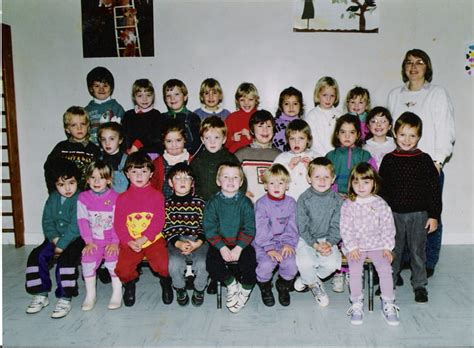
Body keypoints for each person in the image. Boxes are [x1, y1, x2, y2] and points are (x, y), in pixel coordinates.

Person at [387, 48, 455, 277]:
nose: (414, 67)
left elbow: (446, 130)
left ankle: (428, 263)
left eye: (419, 62)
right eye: (409, 62)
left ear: (427, 68)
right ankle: (405, 260)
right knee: (400, 216)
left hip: (427, 166)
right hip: (400, 165)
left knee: (429, 215)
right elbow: (390, 133)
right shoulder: (395, 95)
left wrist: (438, 161)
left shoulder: (437, 94)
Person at [379, 112, 442, 303]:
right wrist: (382, 215)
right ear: (394, 134)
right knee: (393, 250)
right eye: (402, 134)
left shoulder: (424, 160)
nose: (407, 140)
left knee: (417, 251)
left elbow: (434, 190)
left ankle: (420, 285)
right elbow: (382, 189)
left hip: (419, 215)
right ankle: (389, 281)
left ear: (419, 137)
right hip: (394, 215)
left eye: (412, 135)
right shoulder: (389, 159)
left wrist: (433, 215)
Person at [340, 163, 399, 326]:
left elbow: (388, 226)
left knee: (386, 269)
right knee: (355, 270)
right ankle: (357, 303)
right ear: (351, 184)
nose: (361, 186)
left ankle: (388, 302)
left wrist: (388, 247)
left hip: (377, 244)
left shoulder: (380, 204)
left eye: (365, 182)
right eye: (356, 182)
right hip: (356, 247)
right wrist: (351, 247)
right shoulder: (348, 205)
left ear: (374, 183)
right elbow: (345, 228)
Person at [25, 158, 85, 319]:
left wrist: (62, 244)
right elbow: (47, 221)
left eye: (71, 183)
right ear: (55, 185)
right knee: (36, 256)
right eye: (61, 184)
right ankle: (40, 293)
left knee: (66, 260)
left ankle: (65, 297)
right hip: (55, 238)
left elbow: (76, 225)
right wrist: (54, 238)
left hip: (76, 239)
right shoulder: (52, 198)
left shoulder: (81, 198)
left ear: (77, 181)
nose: (67, 188)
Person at [113, 152, 173, 307]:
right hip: (131, 241)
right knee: (122, 269)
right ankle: (130, 285)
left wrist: (145, 238)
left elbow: (159, 221)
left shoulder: (157, 196)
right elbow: (119, 224)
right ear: (127, 174)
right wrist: (128, 241)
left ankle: (166, 283)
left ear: (151, 173)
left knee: (163, 265)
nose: (139, 176)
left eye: (144, 171)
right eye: (134, 172)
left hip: (152, 239)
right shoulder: (122, 198)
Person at [203, 163, 256, 313]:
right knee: (211, 264)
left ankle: (244, 291)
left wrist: (239, 247)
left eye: (235, 177)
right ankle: (231, 284)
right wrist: (222, 247)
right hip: (220, 243)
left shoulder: (245, 203)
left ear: (241, 182)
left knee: (251, 264)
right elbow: (210, 228)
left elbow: (250, 228)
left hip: (241, 243)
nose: (231, 181)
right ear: (218, 181)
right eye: (226, 177)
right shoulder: (213, 203)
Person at [295, 157, 342, 307]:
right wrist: (315, 245)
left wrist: (329, 243)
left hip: (328, 239)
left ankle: (308, 279)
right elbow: (302, 227)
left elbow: (337, 225)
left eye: (326, 177)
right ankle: (315, 285)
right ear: (309, 178)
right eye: (317, 177)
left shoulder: (337, 200)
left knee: (333, 264)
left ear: (333, 178)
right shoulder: (304, 199)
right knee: (305, 262)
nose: (322, 180)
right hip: (306, 238)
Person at [77, 161, 121, 311]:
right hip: (94, 240)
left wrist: (115, 242)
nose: (96, 182)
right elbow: (82, 221)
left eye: (101, 178)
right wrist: (88, 241)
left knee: (112, 260)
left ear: (108, 180)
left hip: (111, 240)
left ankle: (117, 293)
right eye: (93, 177)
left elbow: (118, 222)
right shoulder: (83, 198)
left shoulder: (116, 197)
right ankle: (91, 295)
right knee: (87, 259)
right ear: (87, 179)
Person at [162, 163, 208, 307]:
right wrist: (178, 243)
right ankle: (180, 288)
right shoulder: (167, 204)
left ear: (192, 183)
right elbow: (166, 227)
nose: (182, 181)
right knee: (174, 264)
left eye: (187, 178)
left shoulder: (200, 202)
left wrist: (198, 242)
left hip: (198, 240)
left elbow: (207, 225)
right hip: (177, 240)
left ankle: (199, 289)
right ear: (170, 182)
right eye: (178, 178)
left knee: (203, 264)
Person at [254, 164, 299, 307]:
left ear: (287, 186)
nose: (276, 186)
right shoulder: (261, 204)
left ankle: (283, 285)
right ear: (266, 186)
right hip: (264, 242)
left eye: (281, 182)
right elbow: (260, 228)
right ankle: (265, 287)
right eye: (272, 183)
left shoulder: (291, 203)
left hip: (285, 241)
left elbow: (293, 225)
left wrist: (288, 243)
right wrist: (269, 248)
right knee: (266, 264)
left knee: (291, 264)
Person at [44, 106, 101, 193]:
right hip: (65, 194)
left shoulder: (94, 149)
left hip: (87, 196)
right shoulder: (61, 148)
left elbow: (100, 173)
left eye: (83, 124)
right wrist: (54, 191)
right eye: (74, 125)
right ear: (67, 129)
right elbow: (49, 169)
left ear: (88, 126)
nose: (79, 128)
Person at [190, 116, 243, 201]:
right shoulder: (197, 161)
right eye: (207, 138)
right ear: (202, 140)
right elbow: (192, 186)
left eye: (217, 137)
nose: (212, 142)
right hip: (204, 205)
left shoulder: (231, 159)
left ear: (224, 139)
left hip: (227, 203)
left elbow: (242, 181)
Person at [235, 110, 280, 203]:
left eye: (268, 126)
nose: (265, 130)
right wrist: (241, 192)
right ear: (252, 130)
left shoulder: (280, 156)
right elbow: (231, 178)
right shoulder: (241, 154)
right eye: (260, 126)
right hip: (247, 206)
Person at [326, 114, 377, 195]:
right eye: (343, 132)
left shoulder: (365, 156)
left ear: (358, 135)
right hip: (335, 196)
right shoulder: (330, 156)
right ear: (337, 134)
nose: (347, 136)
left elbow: (373, 179)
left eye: (352, 132)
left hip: (359, 195)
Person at [274, 119, 319, 200]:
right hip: (287, 201)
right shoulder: (282, 158)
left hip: (310, 201)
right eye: (292, 139)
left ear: (308, 139)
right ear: (287, 140)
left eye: (301, 138)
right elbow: (273, 179)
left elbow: (323, 180)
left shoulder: (315, 157)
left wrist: (311, 169)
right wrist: (289, 166)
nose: (296, 142)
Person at [150, 120, 191, 199]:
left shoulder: (191, 160)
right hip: (163, 203)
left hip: (187, 204)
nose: (174, 145)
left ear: (184, 139)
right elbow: (152, 185)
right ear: (163, 142)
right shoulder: (158, 162)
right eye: (169, 141)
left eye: (178, 140)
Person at [84, 66, 125, 145]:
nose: (101, 89)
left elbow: (123, 133)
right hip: (92, 150)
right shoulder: (86, 110)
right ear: (91, 88)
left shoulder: (117, 108)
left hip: (111, 150)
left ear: (111, 88)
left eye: (105, 86)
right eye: (97, 86)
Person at [122, 79, 163, 155]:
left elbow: (155, 137)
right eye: (140, 96)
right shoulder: (128, 115)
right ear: (134, 97)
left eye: (148, 95)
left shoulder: (156, 115)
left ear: (153, 96)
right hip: (131, 154)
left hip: (151, 153)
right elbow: (125, 136)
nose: (144, 99)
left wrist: (137, 145)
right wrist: (127, 150)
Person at [162, 79, 201, 156]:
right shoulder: (161, 118)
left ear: (185, 97)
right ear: (165, 99)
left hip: (188, 159)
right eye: (168, 96)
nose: (172, 98)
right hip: (167, 158)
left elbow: (198, 143)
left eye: (176, 94)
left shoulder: (193, 117)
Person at [305, 76, 342, 156]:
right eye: (325, 95)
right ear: (318, 95)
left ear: (336, 97)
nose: (328, 99)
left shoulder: (340, 115)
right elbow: (310, 140)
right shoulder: (312, 115)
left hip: (336, 156)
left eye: (332, 96)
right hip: (316, 156)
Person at [224, 82, 259, 153]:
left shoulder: (261, 116)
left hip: (256, 154)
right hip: (235, 155)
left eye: (250, 99)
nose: (246, 103)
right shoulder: (231, 118)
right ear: (237, 101)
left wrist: (250, 136)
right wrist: (232, 138)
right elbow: (224, 143)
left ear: (256, 100)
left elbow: (266, 140)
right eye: (242, 100)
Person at [98, 122, 129, 193]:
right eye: (103, 139)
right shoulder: (99, 161)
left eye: (111, 139)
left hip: (122, 198)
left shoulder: (127, 160)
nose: (107, 143)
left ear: (120, 140)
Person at [272, 87, 305, 152]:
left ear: (301, 106)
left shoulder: (303, 125)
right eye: (287, 104)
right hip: (275, 157)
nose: (291, 107)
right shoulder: (273, 122)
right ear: (281, 106)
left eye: (295, 103)